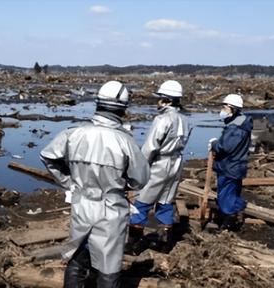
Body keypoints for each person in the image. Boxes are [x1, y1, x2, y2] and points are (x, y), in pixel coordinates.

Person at [40, 80, 150, 287]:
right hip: (111, 208)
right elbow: (140, 180)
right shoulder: (125, 141)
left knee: (78, 255)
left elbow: (47, 156)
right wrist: (121, 183)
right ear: (123, 108)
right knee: (109, 266)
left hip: (82, 203)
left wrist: (69, 181)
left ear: (98, 103)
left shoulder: (73, 134)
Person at [127, 80, 191, 254]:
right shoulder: (185, 120)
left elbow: (150, 146)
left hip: (160, 164)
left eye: (160, 99)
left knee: (142, 201)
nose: (158, 102)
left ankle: (133, 244)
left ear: (166, 100)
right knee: (166, 201)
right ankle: (165, 244)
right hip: (177, 163)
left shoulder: (162, 119)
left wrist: (139, 167)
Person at [209, 94, 252, 231]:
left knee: (225, 197)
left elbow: (225, 147)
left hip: (229, 167)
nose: (222, 110)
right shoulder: (242, 124)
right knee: (233, 193)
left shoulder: (235, 128)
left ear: (232, 109)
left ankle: (228, 226)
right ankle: (236, 215)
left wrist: (215, 144)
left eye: (225, 107)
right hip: (237, 165)